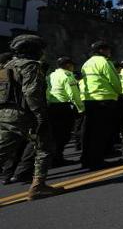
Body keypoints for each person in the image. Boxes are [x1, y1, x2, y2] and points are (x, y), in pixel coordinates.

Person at [0, 34, 60, 199]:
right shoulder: (31, 66)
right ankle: (38, 186)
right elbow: (32, 92)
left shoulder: (7, 66)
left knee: (2, 149)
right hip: (24, 114)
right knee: (44, 147)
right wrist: (40, 115)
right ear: (33, 50)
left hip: (4, 113)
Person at [80, 40, 122, 169]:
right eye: (108, 49)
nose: (109, 52)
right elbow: (114, 81)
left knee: (89, 131)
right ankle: (97, 160)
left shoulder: (86, 64)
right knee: (101, 132)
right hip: (104, 100)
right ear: (101, 50)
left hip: (89, 100)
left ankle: (86, 159)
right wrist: (119, 92)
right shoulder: (105, 62)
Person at [46, 56, 84, 166]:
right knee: (64, 134)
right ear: (68, 65)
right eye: (72, 65)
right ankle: (58, 158)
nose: (73, 68)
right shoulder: (68, 75)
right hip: (64, 107)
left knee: (55, 134)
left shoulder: (51, 75)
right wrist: (80, 108)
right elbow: (73, 94)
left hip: (52, 107)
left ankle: (55, 157)